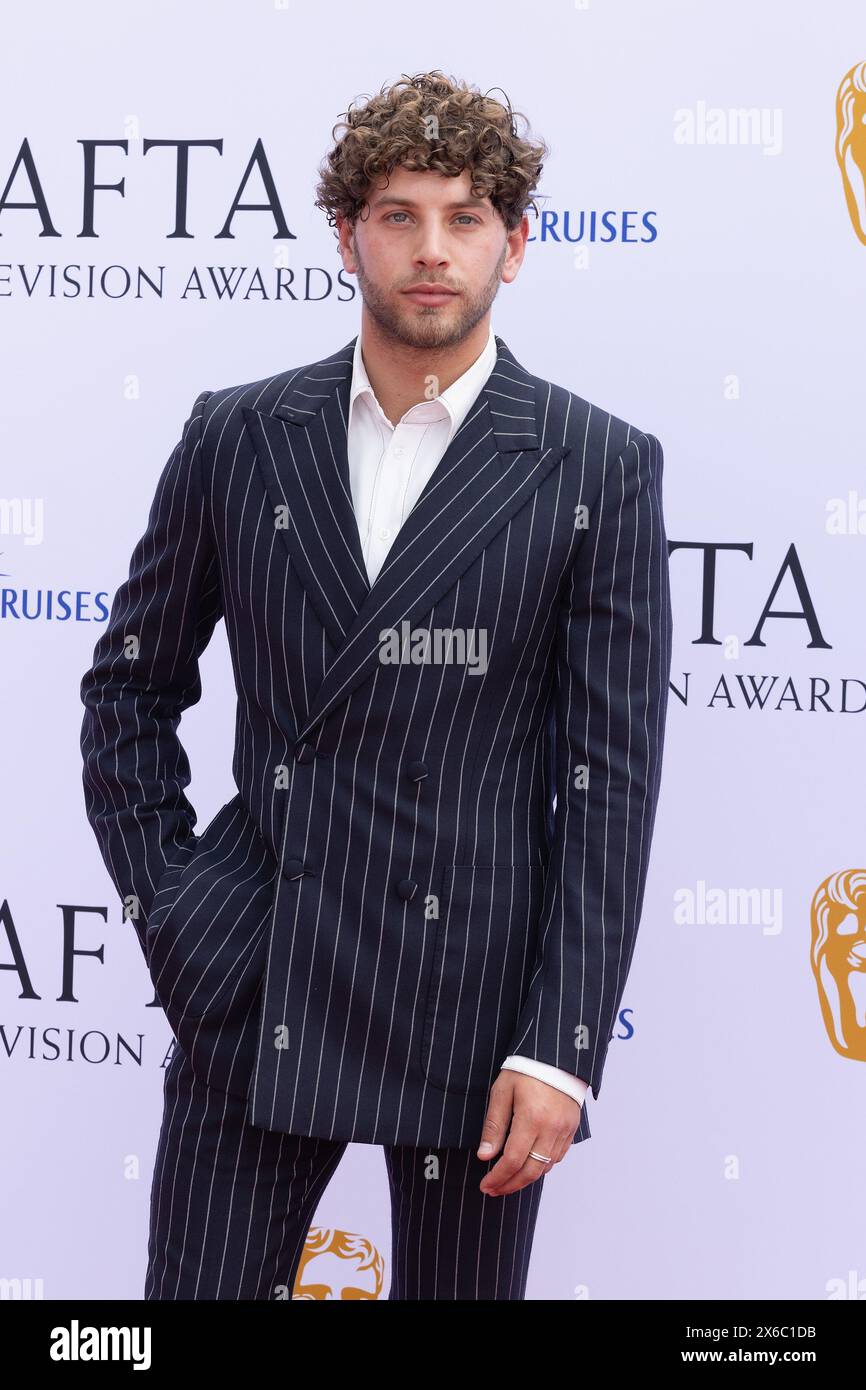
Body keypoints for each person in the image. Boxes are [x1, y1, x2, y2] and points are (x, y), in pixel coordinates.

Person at [79, 69, 673, 1301]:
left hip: (475, 1006)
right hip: (259, 975)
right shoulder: (237, 434)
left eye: (463, 218)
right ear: (348, 234)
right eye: (399, 215)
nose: (430, 250)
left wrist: (561, 1049)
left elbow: (606, 781)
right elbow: (129, 693)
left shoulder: (595, 464)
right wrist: (173, 913)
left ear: (515, 243)